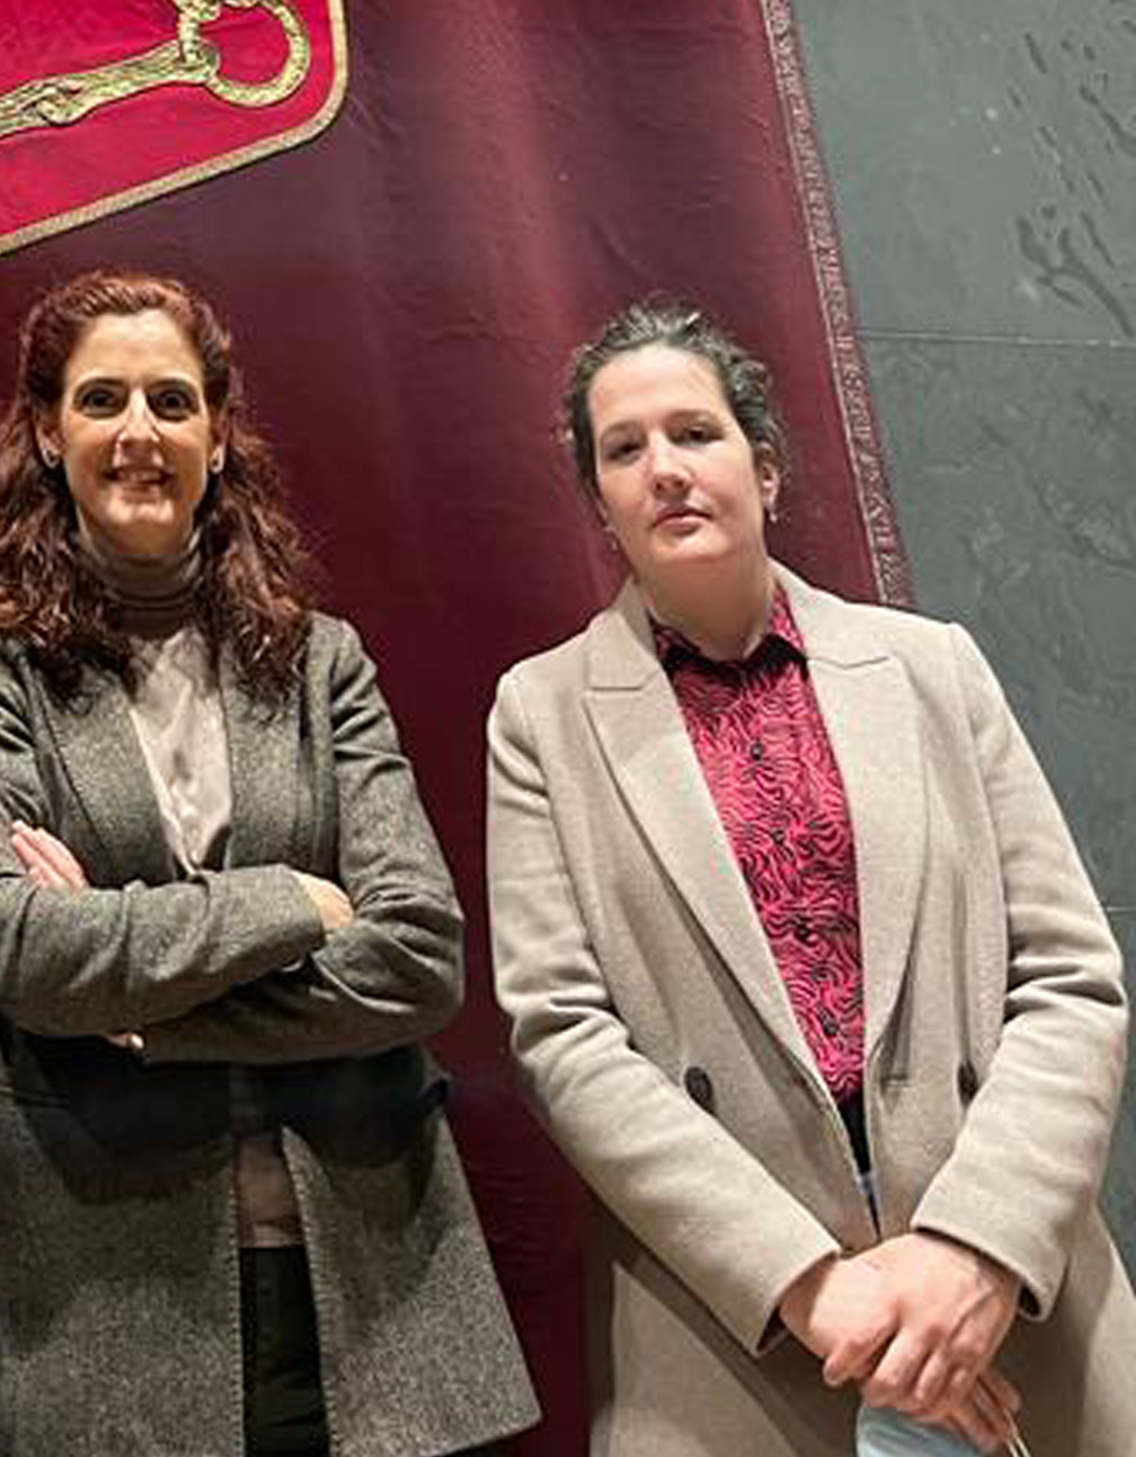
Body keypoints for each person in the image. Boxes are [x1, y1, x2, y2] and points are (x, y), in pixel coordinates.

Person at [485, 299, 1136, 1455]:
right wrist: (805, 1284)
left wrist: (972, 1251)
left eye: (695, 432)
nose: (664, 470)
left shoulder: (932, 668)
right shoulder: (539, 717)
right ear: (598, 503)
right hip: (740, 1328)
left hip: (1003, 1298)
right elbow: (563, 1037)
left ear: (765, 468)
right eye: (623, 450)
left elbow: (1071, 978)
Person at [0, 269, 536, 1457]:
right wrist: (292, 902)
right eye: (102, 401)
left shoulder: (322, 663)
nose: (138, 433)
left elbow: (420, 959)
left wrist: (146, 1005)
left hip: (362, 1289)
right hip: (101, 1299)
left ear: (216, 430)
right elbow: (22, 953)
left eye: (170, 400)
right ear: (47, 435)